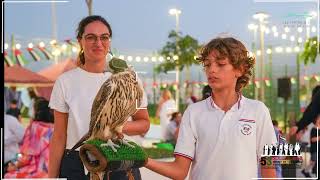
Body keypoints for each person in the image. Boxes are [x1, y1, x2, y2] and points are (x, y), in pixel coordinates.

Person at [145, 37, 277, 179]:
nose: (212, 70)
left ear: (239, 70)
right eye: (207, 65)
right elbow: (179, 171)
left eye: (220, 64)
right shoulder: (193, 113)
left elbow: (268, 165)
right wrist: (143, 160)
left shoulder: (257, 111)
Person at [48, 15, 149, 180]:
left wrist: (112, 127)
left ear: (109, 41)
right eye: (91, 37)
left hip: (118, 160)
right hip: (77, 163)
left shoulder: (130, 78)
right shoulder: (65, 81)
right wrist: (51, 177)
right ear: (80, 41)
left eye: (104, 37)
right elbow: (59, 136)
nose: (98, 43)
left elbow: (143, 124)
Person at [4, 97, 54, 178]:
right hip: (52, 170)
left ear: (36, 112)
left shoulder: (34, 128)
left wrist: (13, 165)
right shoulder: (54, 129)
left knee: (8, 175)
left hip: (37, 170)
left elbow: (25, 156)